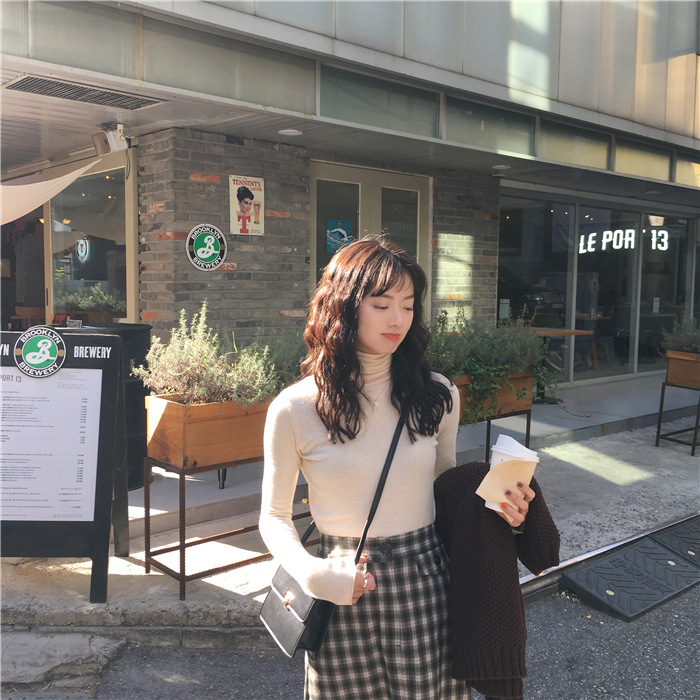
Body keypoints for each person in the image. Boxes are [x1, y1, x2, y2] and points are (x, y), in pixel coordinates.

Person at [259, 237, 534, 699]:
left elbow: (445, 490)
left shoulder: (438, 395)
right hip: (340, 581)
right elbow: (273, 515)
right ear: (343, 306)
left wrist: (503, 509)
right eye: (382, 304)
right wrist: (310, 572)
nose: (398, 319)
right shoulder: (295, 408)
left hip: (425, 580)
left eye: (408, 306)